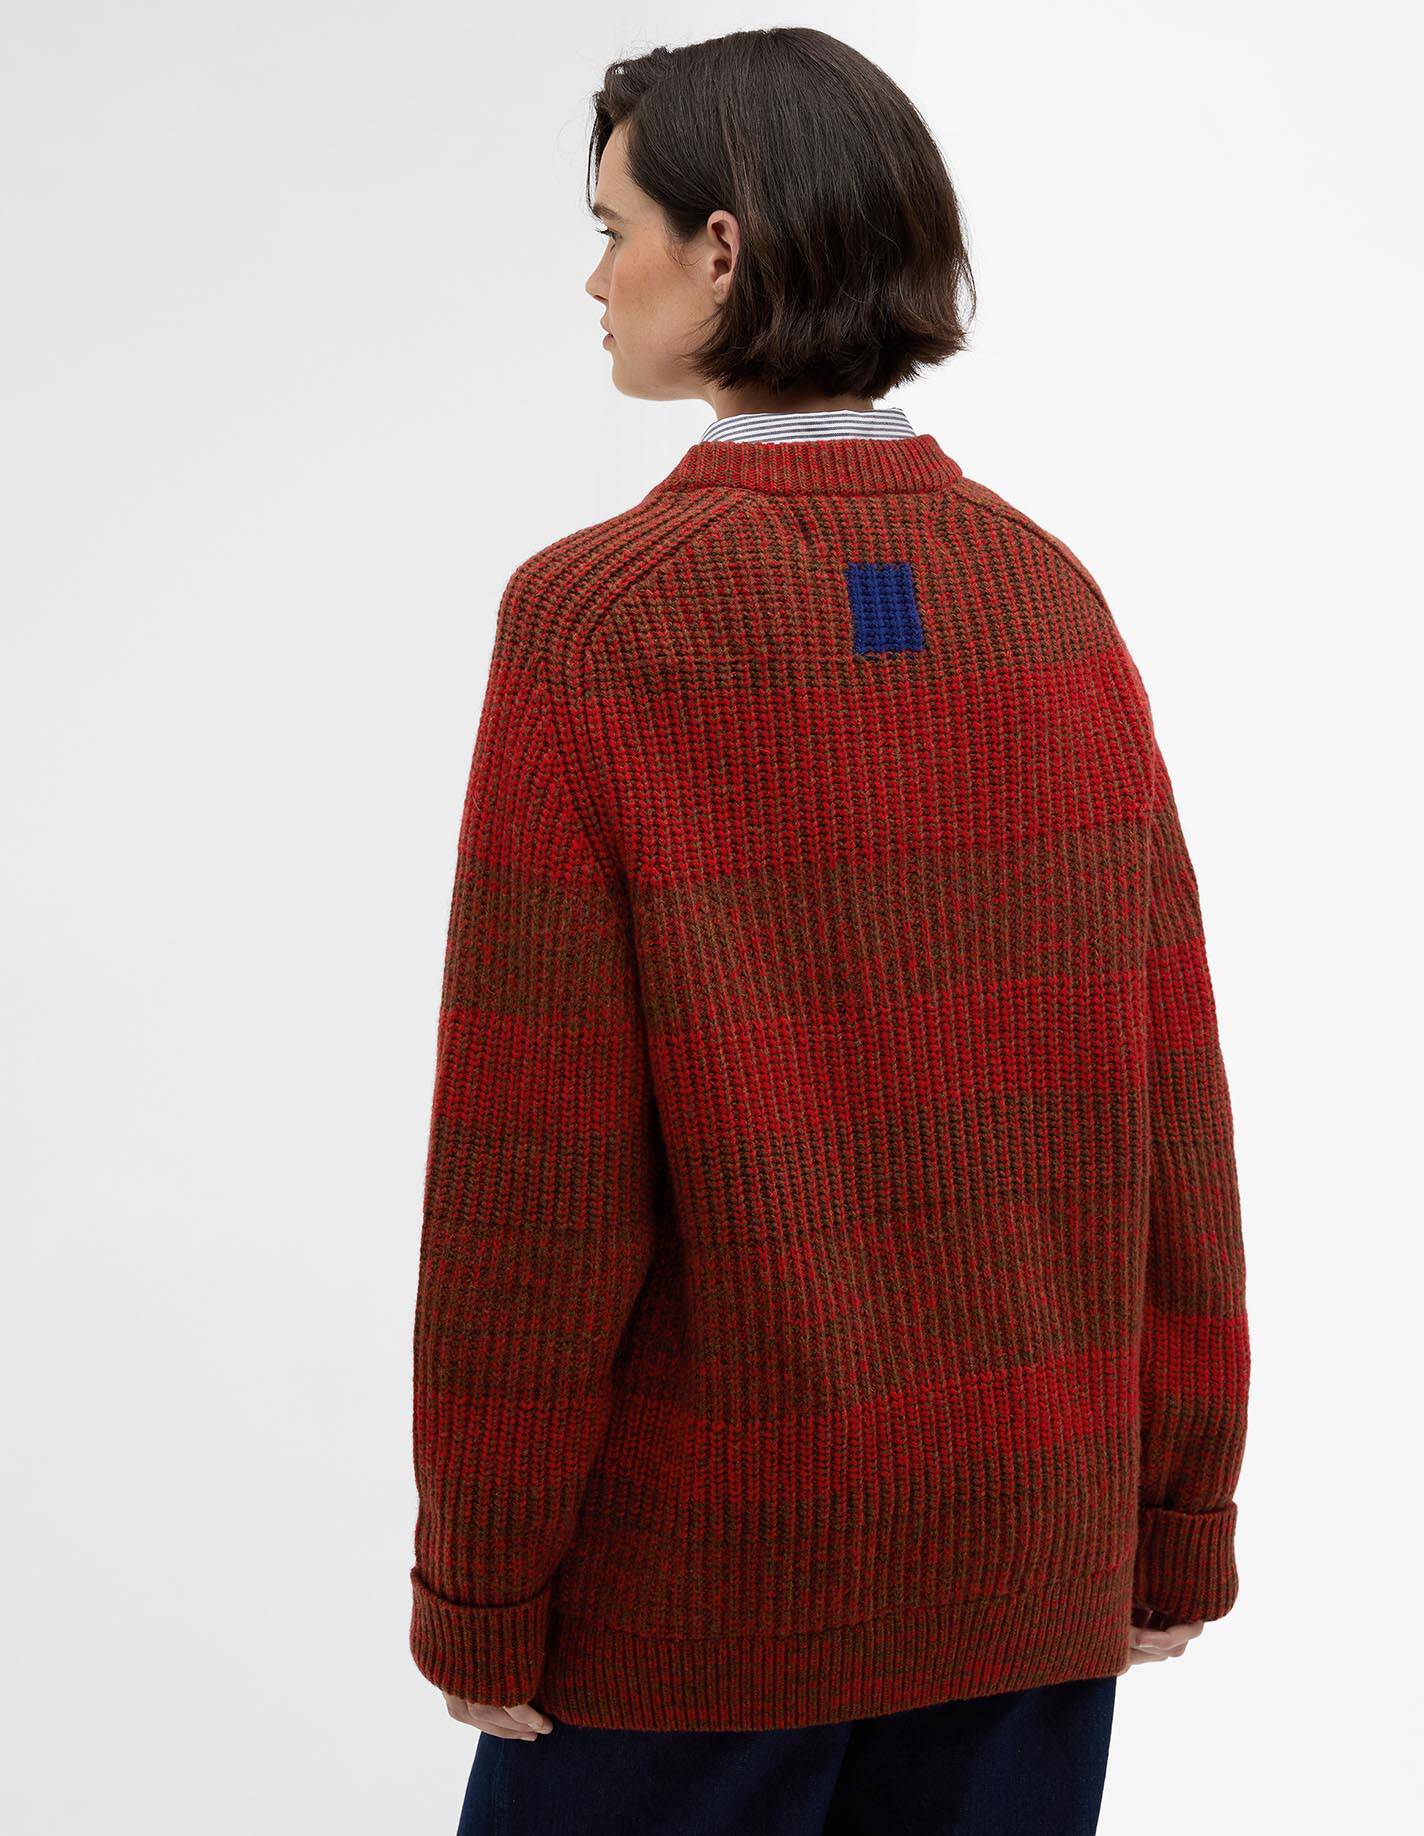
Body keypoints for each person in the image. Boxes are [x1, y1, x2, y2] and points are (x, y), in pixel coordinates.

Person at [408, 27, 1249, 1835]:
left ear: (721, 249)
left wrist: (481, 1579)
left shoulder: (595, 626)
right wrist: (1177, 1507)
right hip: (1029, 1563)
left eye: (613, 227)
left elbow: (532, 1170)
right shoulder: (1048, 597)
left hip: (702, 1598)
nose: (594, 276)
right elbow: (1171, 1091)